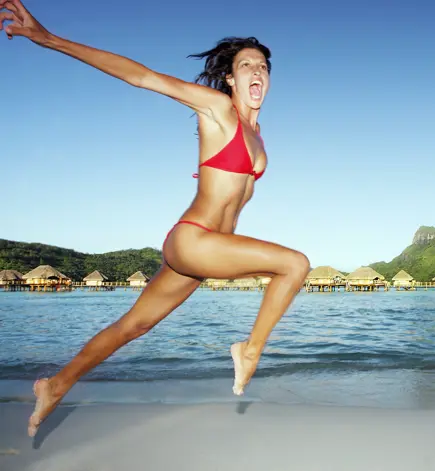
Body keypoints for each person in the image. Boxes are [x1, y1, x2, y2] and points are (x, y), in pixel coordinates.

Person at [1, 0, 311, 438]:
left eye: (262, 66)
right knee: (295, 264)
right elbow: (142, 76)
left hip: (203, 252)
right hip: (194, 239)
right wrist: (47, 38)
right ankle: (249, 349)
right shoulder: (218, 109)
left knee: (134, 325)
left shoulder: (258, 137)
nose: (256, 72)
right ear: (230, 77)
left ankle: (56, 384)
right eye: (245, 65)